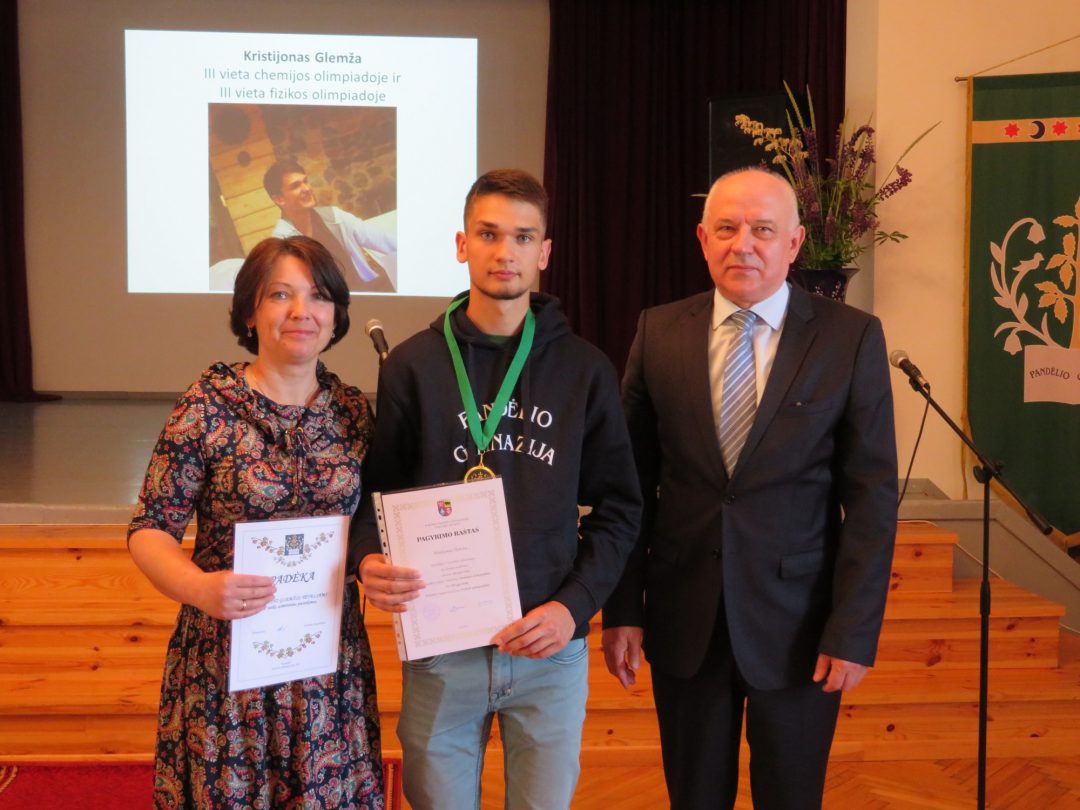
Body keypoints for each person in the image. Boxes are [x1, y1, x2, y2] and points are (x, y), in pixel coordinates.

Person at [602, 168, 898, 810]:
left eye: (763, 229)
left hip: (799, 631)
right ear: (702, 239)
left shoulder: (849, 338)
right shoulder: (658, 332)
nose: (744, 244)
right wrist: (623, 609)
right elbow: (630, 488)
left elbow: (872, 500)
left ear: (793, 243)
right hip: (685, 621)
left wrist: (852, 630)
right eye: (728, 228)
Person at [352, 169, 642, 809]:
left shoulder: (585, 369)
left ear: (545, 252)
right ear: (462, 245)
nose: (504, 251)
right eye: (488, 234)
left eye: (522, 236)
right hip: (441, 653)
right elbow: (376, 497)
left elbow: (620, 510)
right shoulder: (412, 366)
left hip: (549, 648)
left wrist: (573, 607)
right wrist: (368, 559)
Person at [128, 236, 384, 809]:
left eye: (318, 296)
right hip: (226, 667)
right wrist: (198, 587)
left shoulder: (352, 412)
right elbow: (150, 528)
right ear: (250, 311)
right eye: (280, 295)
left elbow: (371, 524)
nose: (302, 312)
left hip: (327, 669)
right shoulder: (206, 406)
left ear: (336, 313)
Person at [264, 159, 398, 293]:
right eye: (296, 186)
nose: (307, 189)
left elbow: (382, 240)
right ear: (279, 199)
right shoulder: (281, 242)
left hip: (364, 294)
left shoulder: (335, 216)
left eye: (306, 181)